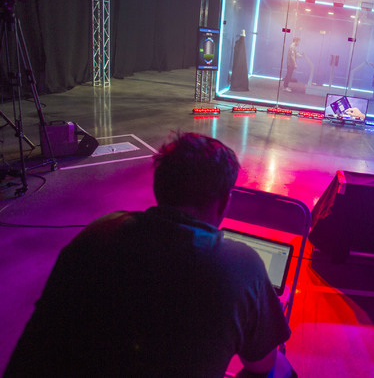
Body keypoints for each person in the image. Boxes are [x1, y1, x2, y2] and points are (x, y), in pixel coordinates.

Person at [5, 132, 294, 377]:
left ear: (160, 187)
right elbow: (261, 365)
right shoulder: (241, 264)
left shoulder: (98, 232)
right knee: (280, 368)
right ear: (224, 202)